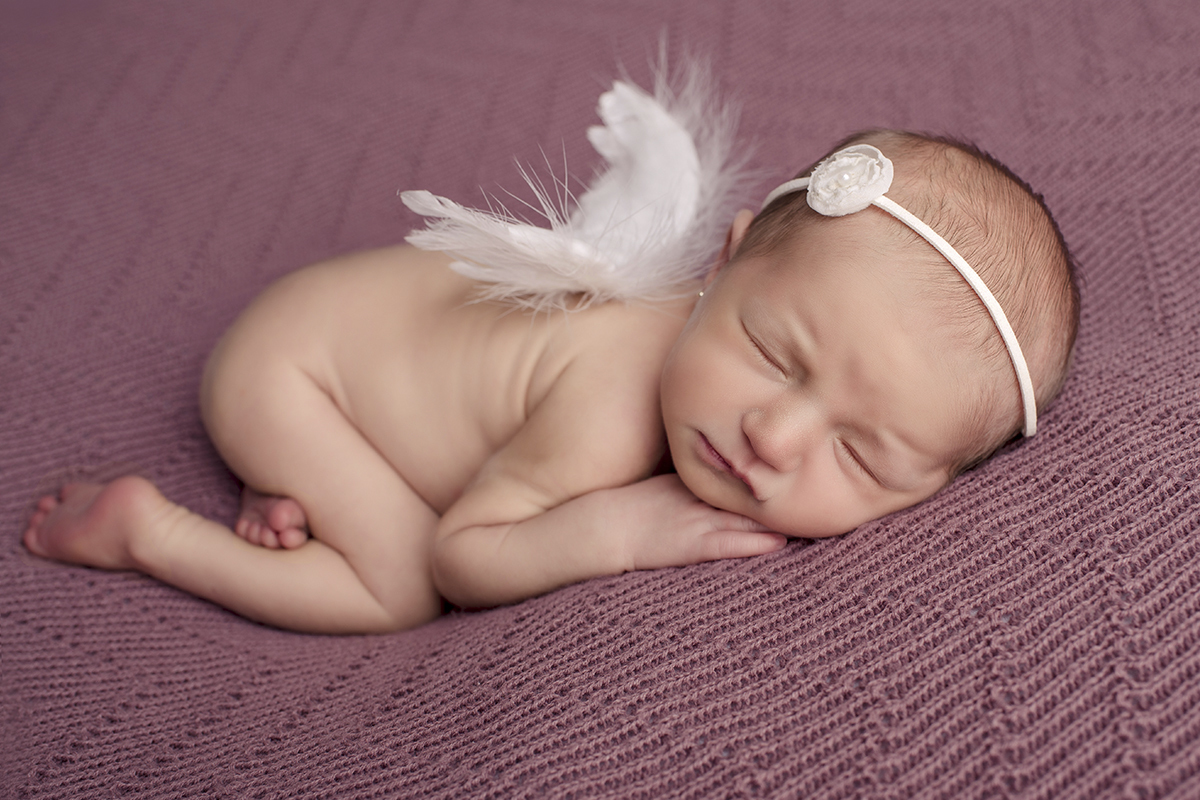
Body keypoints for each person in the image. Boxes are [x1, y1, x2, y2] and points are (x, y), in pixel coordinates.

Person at [21, 78, 1079, 634]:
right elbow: (463, 555)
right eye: (768, 348)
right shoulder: (616, 398)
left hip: (362, 348)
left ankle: (291, 490)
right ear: (725, 257)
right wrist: (612, 527)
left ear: (930, 487)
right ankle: (148, 531)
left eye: (862, 456)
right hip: (294, 371)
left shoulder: (729, 382)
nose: (775, 432)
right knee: (394, 590)